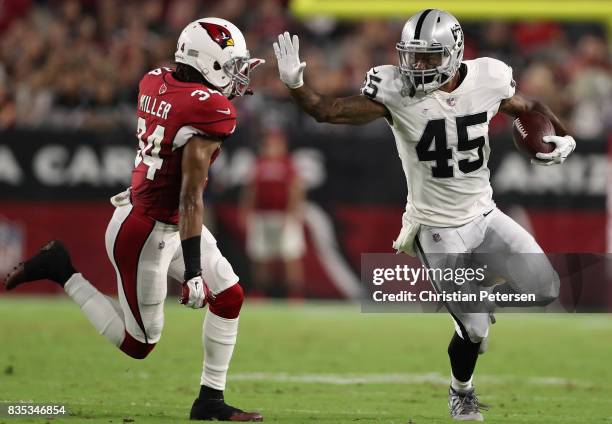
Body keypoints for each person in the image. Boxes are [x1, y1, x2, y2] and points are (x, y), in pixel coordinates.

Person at [273, 9, 573, 421]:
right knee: (475, 332)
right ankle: (461, 391)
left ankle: (480, 300)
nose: (416, 66)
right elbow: (329, 111)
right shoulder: (395, 90)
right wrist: (295, 84)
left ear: (454, 53)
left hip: (484, 214)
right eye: (411, 56)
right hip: (436, 229)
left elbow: (529, 107)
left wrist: (561, 134)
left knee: (546, 287)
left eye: (428, 57)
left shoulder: (489, 77)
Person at [4, 17, 264, 422]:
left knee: (229, 295)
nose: (238, 76)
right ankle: (63, 271)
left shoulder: (155, 78)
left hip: (168, 219)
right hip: (146, 230)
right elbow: (191, 197)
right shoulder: (210, 108)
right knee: (139, 343)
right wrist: (193, 272)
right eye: (231, 65)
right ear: (207, 61)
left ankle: (209, 400)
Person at [241, 127, 305, 298]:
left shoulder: (288, 164)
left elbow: (296, 190)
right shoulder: (259, 164)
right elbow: (251, 190)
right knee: (260, 255)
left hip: (284, 215)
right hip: (261, 215)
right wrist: (246, 211)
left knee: (290, 255)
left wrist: (292, 213)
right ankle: (259, 292)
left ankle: (295, 294)